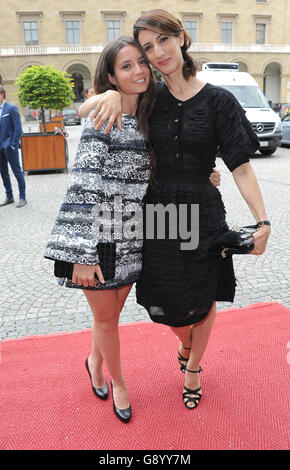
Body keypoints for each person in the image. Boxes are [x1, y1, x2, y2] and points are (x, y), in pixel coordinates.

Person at [79, 10, 271, 411]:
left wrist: (263, 220)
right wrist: (113, 94)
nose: (158, 52)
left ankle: (194, 367)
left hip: (202, 214)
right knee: (164, 301)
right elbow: (89, 112)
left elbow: (242, 165)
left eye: (163, 40)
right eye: (147, 47)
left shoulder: (220, 101)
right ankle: (184, 345)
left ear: (181, 37)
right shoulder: (146, 98)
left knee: (204, 294)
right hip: (157, 217)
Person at [45, 36, 221, 423]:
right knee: (107, 318)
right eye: (126, 66)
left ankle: (93, 361)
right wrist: (82, 253)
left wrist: (200, 174)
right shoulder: (101, 118)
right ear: (110, 74)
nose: (139, 70)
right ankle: (119, 382)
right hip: (103, 236)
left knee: (112, 312)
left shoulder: (150, 114)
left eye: (141, 62)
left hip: (138, 234)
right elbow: (84, 184)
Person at [0, 85, 26, 207]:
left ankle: (22, 197)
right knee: (3, 173)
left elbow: (18, 129)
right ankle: (9, 196)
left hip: (10, 146)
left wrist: (13, 145)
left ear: (2, 94)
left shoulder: (11, 109)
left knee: (17, 172)